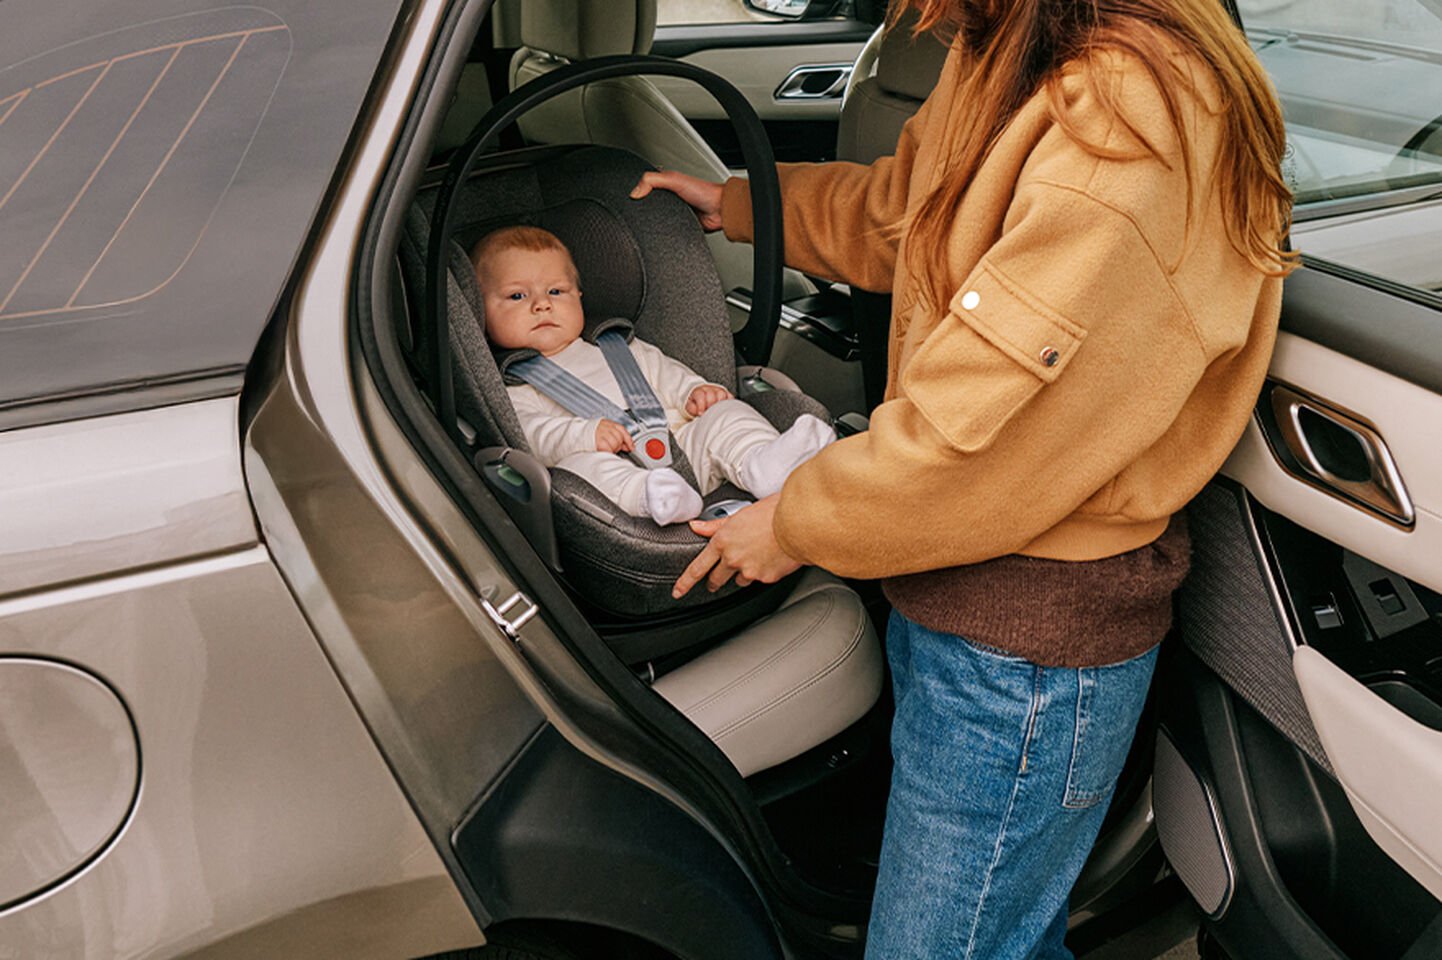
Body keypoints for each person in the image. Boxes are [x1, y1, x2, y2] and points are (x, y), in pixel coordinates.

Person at [632, 0, 1295, 956]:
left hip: (1027, 637)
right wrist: (745, 204)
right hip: (957, 593)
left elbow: (986, 427)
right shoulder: (1008, 47)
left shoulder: (1129, 114)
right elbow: (916, 215)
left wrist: (792, 521)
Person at [472, 225, 835, 526]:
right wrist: (585, 434)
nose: (542, 304)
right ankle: (653, 497)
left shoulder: (618, 346)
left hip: (684, 444)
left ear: (579, 296)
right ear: (481, 310)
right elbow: (532, 436)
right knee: (578, 470)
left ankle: (763, 463)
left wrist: (697, 392)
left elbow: (669, 376)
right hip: (619, 470)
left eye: (556, 291)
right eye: (517, 295)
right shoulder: (514, 384)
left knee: (727, 413)